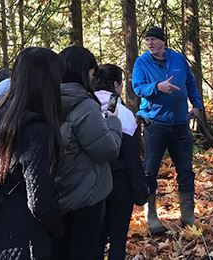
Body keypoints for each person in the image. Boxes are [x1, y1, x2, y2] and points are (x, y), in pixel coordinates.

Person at [0, 47, 65, 259]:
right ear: (48, 81)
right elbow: (40, 202)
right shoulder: (35, 130)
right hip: (23, 240)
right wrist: (59, 230)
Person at [51, 46, 122, 260]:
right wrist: (113, 121)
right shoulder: (84, 107)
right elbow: (107, 150)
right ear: (83, 71)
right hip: (86, 195)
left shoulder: (48, 100)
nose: (95, 77)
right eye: (93, 72)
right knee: (87, 250)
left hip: (58, 193)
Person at [132, 26, 203, 234]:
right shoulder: (141, 63)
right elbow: (137, 87)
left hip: (181, 125)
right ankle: (151, 216)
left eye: (153, 39)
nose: (150, 43)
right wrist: (156, 87)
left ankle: (188, 216)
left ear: (163, 41)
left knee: (185, 169)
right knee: (150, 171)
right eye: (147, 40)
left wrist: (196, 105)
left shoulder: (178, 59)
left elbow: (190, 83)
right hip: (155, 125)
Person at [94, 64, 149, 260]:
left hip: (93, 183)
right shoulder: (122, 112)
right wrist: (141, 191)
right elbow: (132, 158)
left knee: (96, 239)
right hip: (119, 184)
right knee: (117, 239)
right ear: (117, 84)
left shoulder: (87, 108)